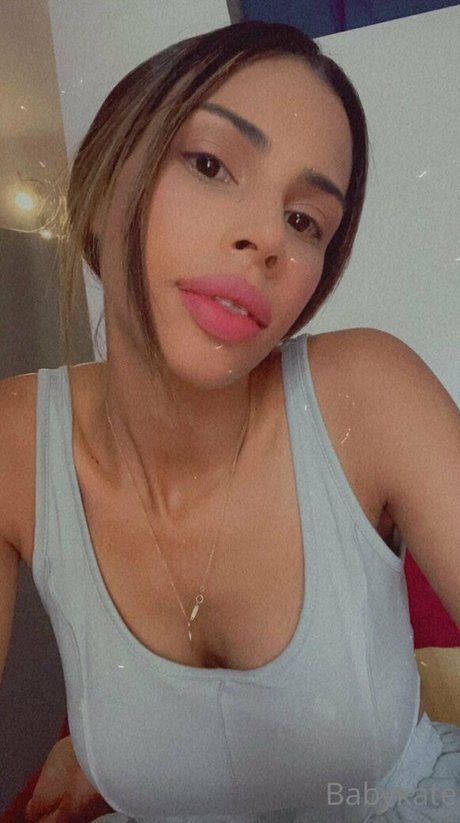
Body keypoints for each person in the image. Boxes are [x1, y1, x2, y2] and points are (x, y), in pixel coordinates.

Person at [0, 18, 459, 823]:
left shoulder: (370, 391)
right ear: (103, 184)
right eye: (211, 163)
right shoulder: (15, 442)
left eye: (306, 220)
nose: (268, 238)